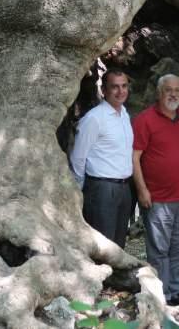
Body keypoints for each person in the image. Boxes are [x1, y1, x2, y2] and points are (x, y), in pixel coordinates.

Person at [132, 74, 179, 306]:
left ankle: (177, 291)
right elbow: (135, 157)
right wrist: (142, 190)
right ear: (159, 93)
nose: (173, 94)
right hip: (157, 198)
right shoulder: (145, 120)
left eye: (177, 90)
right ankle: (162, 294)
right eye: (168, 89)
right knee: (159, 249)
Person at [70, 68, 134, 248]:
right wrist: (81, 191)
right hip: (101, 190)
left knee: (119, 245)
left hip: (123, 188)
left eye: (124, 86)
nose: (121, 91)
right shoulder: (94, 119)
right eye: (115, 87)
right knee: (103, 246)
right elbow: (78, 158)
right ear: (104, 90)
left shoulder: (124, 115)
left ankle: (114, 277)